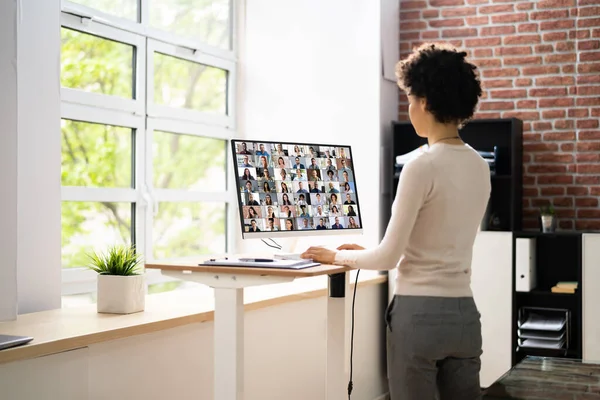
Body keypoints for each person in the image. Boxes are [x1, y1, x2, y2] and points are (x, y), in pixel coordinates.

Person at [301, 43, 490, 400]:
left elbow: (387, 259)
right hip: (465, 316)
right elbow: (437, 241)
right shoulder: (480, 165)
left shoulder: (421, 165)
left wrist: (335, 256)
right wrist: (367, 251)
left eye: (411, 98)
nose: (409, 107)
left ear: (426, 102)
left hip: (419, 318)